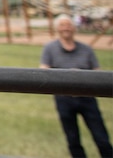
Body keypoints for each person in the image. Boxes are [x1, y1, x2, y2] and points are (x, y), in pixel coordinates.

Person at [40, 14, 112, 158]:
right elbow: (43, 72)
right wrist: (67, 78)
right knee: (72, 137)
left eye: (68, 24)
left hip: (87, 98)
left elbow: (98, 74)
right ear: (57, 29)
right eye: (62, 25)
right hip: (64, 99)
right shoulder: (50, 48)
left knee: (101, 136)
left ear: (74, 28)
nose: (65, 28)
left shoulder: (86, 50)